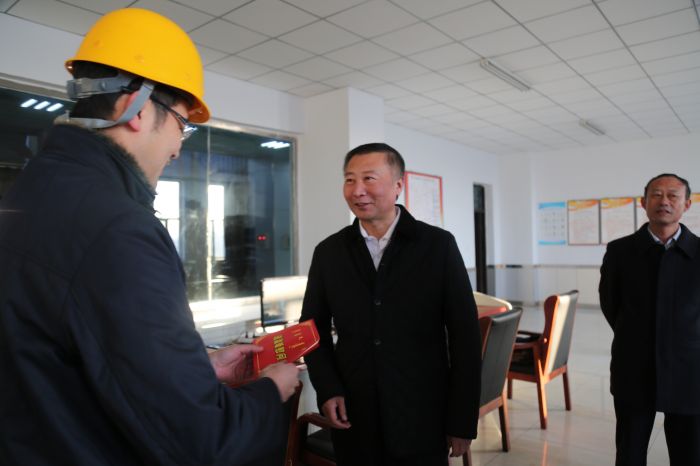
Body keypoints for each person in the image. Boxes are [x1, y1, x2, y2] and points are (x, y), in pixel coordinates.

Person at [0, 8, 299, 465]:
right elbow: (201, 442)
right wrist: (270, 391)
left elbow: (70, 364)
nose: (178, 148)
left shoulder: (29, 194)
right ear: (135, 108)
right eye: (182, 124)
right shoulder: (119, 230)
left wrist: (196, 369)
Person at [300, 143, 481, 465]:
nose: (357, 190)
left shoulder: (437, 246)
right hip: (354, 414)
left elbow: (465, 337)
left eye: (369, 178)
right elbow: (311, 330)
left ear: (398, 185)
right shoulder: (329, 252)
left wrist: (461, 420)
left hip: (422, 412)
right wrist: (328, 388)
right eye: (349, 180)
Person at [599, 173, 700, 466]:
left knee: (690, 454)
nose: (664, 201)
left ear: (687, 204)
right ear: (643, 202)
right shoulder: (620, 252)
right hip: (633, 367)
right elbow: (611, 304)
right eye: (656, 194)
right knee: (630, 452)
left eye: (673, 195)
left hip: (690, 371)